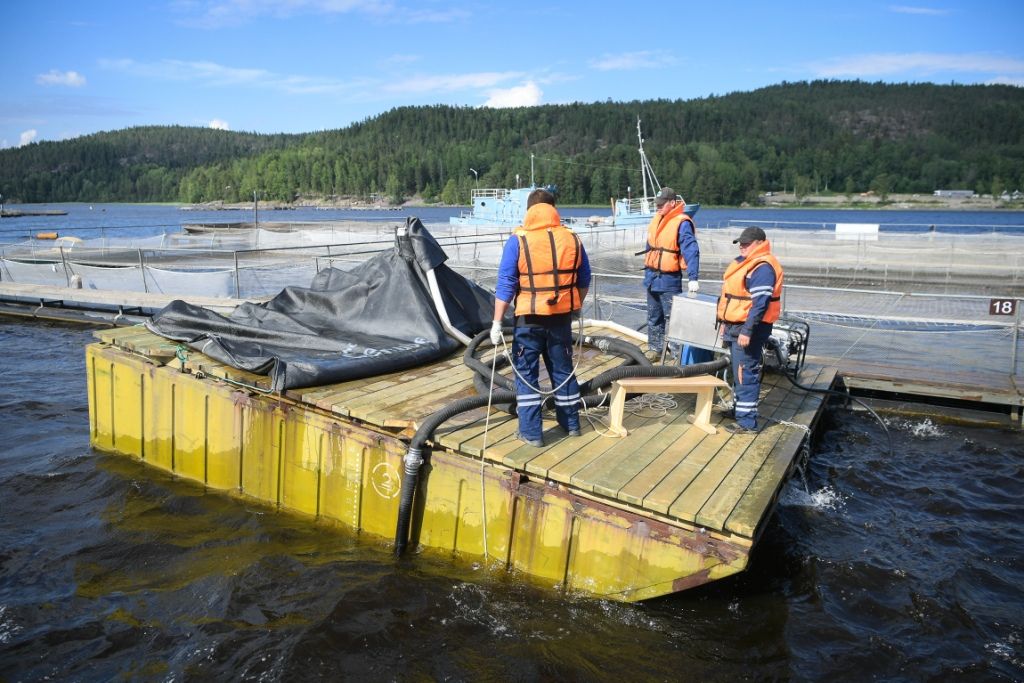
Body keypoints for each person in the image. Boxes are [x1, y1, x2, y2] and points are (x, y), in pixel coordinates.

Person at [490, 189, 591, 447]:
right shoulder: (572, 238)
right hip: (560, 319)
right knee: (563, 371)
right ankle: (571, 425)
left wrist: (496, 322)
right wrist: (575, 305)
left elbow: (506, 284)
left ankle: (532, 433)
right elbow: (584, 278)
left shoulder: (518, 241)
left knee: (526, 375)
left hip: (528, 319)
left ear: (529, 210)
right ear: (554, 208)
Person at [716, 226, 784, 433]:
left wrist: (747, 331)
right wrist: (724, 324)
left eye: (746, 243)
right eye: (741, 243)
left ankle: (747, 423)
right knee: (738, 370)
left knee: (746, 372)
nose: (742, 246)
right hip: (735, 325)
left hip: (749, 327)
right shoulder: (746, 263)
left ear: (759, 243)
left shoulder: (762, 268)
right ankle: (739, 411)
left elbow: (760, 304)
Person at [641, 186, 700, 359]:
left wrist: (693, 278)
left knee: (674, 319)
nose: (658, 207)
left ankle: (677, 356)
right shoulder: (657, 219)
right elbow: (650, 246)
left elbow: (691, 250)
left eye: (661, 204)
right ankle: (655, 349)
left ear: (672, 203)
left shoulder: (682, 223)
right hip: (651, 277)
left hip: (669, 279)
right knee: (653, 316)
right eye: (657, 204)